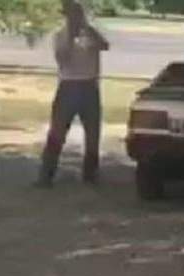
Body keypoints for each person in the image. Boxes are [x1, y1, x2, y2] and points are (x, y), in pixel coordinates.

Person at [35, 0, 109, 187]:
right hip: (68, 86)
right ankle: (47, 174)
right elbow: (62, 59)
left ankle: (90, 175)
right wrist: (71, 36)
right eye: (73, 15)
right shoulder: (60, 35)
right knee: (57, 132)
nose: (77, 18)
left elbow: (105, 45)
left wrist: (89, 29)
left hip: (89, 86)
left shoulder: (90, 34)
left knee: (92, 134)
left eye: (79, 14)